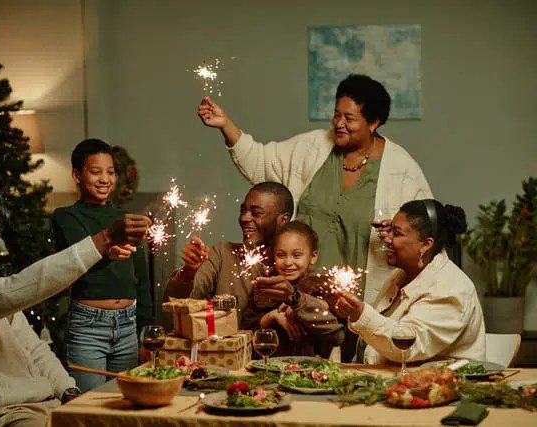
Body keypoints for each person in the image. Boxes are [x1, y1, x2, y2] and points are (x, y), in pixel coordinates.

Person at [198, 74, 433, 360]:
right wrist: (226, 125)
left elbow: (424, 235)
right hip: (303, 300)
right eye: (336, 115)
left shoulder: (403, 170)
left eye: (350, 118)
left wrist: (397, 233)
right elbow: (262, 162)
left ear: (374, 123)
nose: (338, 124)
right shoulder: (313, 147)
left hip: (363, 305)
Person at [0, 198, 150, 426]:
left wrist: (68, 391)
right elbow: (11, 291)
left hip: (47, 405)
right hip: (1, 416)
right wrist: (104, 239)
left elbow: (35, 349)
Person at [52, 139, 154, 392]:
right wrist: (108, 249)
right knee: (90, 407)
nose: (105, 179)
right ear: (77, 175)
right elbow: (78, 256)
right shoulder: (66, 217)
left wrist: (145, 333)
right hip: (88, 329)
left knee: (125, 405)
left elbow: (141, 279)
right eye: (95, 172)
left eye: (110, 172)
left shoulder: (124, 218)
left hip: (128, 326)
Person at [334, 199, 486, 364]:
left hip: (442, 386)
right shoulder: (399, 277)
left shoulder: (451, 288)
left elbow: (407, 346)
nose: (387, 238)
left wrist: (361, 314)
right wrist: (354, 314)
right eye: (389, 230)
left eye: (397, 233)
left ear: (426, 244)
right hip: (387, 382)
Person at [165, 182, 293, 317]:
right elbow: (176, 303)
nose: (245, 218)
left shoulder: (294, 265)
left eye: (256, 213)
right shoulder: (222, 254)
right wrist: (189, 272)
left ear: (283, 220)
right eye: (243, 211)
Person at [242, 221, 344, 357]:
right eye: (281, 255)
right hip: (268, 363)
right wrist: (273, 316)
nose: (288, 262)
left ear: (313, 257)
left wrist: (306, 305)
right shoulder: (265, 286)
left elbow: (337, 326)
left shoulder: (323, 285)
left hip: (313, 365)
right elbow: (246, 328)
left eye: (296, 255)